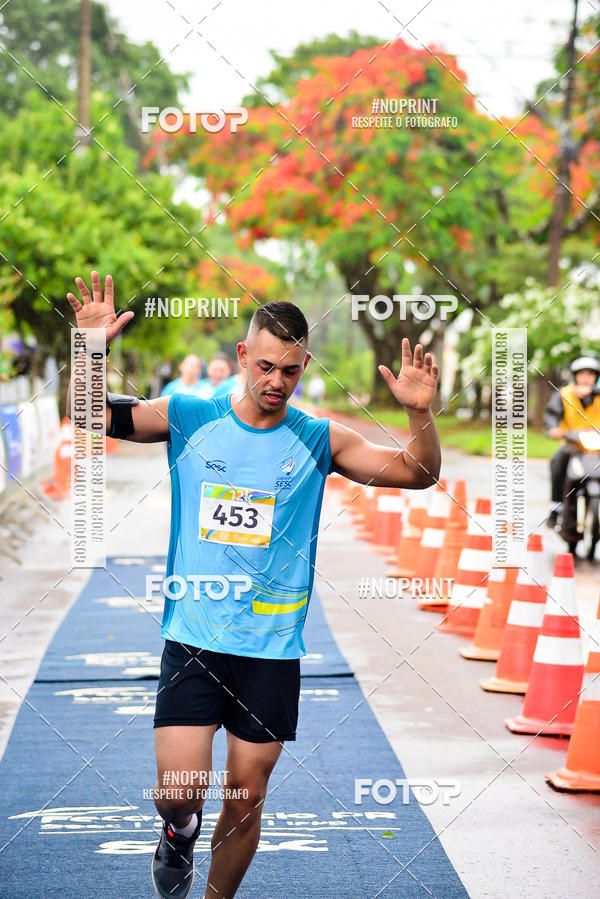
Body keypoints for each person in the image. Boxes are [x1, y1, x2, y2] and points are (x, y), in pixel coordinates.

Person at [66, 271, 441, 899]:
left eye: (289, 372)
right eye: (265, 366)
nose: (275, 382)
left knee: (245, 798)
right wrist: (89, 350)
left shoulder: (319, 438)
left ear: (303, 369)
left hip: (270, 648)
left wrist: (419, 412)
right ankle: (178, 832)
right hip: (194, 636)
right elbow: (88, 415)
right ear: (244, 356)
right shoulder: (189, 415)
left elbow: (419, 472)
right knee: (177, 793)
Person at [544, 355, 600, 528]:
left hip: (597, 445)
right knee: (557, 462)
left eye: (590, 375)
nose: (585, 378)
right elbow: (552, 414)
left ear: (595, 377)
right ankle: (555, 509)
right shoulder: (564, 393)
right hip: (572, 444)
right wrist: (553, 428)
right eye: (582, 374)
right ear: (575, 376)